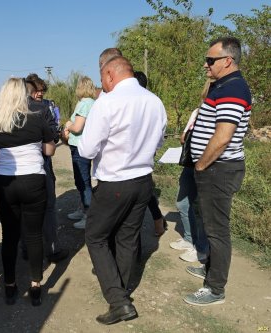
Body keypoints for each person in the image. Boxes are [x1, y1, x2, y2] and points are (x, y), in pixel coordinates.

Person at [78, 54, 166, 325]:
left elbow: (87, 149)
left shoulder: (108, 103)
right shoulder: (154, 101)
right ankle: (123, 288)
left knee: (96, 237)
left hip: (115, 180)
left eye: (102, 78)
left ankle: (118, 301)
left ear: (110, 75)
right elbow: (159, 141)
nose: (101, 83)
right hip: (143, 180)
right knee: (128, 236)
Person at [184, 37, 251, 306]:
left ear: (227, 61)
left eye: (210, 60)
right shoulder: (222, 85)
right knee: (211, 225)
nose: (205, 64)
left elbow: (223, 137)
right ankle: (211, 268)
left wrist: (201, 164)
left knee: (217, 229)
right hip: (214, 168)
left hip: (219, 169)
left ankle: (215, 289)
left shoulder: (233, 88)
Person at [0, 78, 56, 306]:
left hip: (6, 182)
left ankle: (9, 286)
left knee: (9, 236)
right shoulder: (37, 117)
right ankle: (36, 285)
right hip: (34, 180)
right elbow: (49, 150)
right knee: (34, 235)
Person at [25, 75, 69, 263]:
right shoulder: (44, 109)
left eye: (42, 90)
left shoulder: (10, 111)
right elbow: (53, 135)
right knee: (49, 207)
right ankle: (52, 248)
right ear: (29, 90)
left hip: (19, 170)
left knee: (25, 211)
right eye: (37, 90)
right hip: (42, 163)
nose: (40, 93)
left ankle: (26, 249)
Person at [170, 79, 212, 263]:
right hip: (190, 164)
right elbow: (183, 137)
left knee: (202, 209)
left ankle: (202, 248)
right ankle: (189, 238)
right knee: (182, 202)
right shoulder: (197, 111)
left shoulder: (214, 112)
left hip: (206, 165)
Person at [133, 70, 168, 236]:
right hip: (147, 153)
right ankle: (159, 222)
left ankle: (158, 222)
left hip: (137, 154)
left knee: (141, 192)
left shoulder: (136, 102)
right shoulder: (155, 101)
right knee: (145, 190)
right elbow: (161, 131)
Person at [62, 76, 95, 229]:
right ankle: (82, 209)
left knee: (83, 181)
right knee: (82, 179)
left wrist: (68, 124)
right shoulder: (91, 103)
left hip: (80, 147)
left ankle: (88, 215)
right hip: (82, 146)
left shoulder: (84, 104)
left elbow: (77, 127)